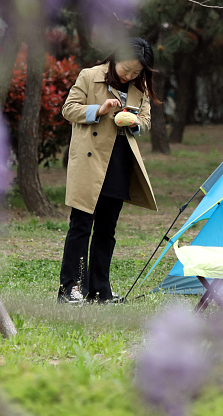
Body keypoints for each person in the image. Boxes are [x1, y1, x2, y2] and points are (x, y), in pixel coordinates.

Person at [58, 38, 158, 303]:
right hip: (90, 160)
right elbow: (68, 109)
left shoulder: (140, 87)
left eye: (137, 72)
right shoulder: (90, 76)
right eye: (127, 68)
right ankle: (71, 287)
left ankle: (99, 288)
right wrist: (98, 110)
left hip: (119, 161)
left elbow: (146, 119)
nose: (130, 75)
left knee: (107, 228)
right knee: (81, 225)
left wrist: (136, 123)